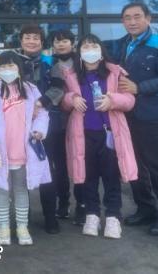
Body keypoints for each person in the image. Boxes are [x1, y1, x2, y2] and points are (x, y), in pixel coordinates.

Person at [62, 34, 137, 239]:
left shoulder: (115, 72)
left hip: (110, 135)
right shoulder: (72, 75)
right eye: (85, 47)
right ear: (79, 53)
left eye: (93, 46)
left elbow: (130, 100)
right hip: (83, 135)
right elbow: (64, 102)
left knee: (111, 177)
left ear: (101, 50)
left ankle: (113, 217)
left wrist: (112, 100)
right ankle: (92, 215)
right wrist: (72, 98)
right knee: (88, 178)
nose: (90, 50)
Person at [117, 2, 158, 236]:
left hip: (153, 116)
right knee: (136, 166)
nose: (132, 21)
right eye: (127, 18)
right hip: (128, 115)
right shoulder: (124, 44)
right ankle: (145, 208)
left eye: (137, 16)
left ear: (148, 18)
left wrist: (139, 87)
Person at [0, 51, 51, 246]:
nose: (7, 70)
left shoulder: (31, 90)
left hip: (23, 151)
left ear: (19, 68)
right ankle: (3, 227)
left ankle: (22, 226)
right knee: (1, 190)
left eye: (11, 65)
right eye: (3, 66)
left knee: (21, 189)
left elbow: (42, 113)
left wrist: (38, 131)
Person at [15, 24, 66, 234]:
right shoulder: (13, 63)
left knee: (47, 171)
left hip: (46, 124)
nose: (31, 41)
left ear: (41, 42)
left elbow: (59, 88)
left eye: (35, 38)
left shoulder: (52, 62)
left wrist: (40, 103)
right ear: (21, 41)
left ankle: (50, 216)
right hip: (18, 124)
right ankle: (23, 217)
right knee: (20, 171)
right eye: (27, 37)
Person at [48, 30, 85, 225]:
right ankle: (63, 202)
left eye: (65, 41)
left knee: (81, 163)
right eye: (57, 41)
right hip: (58, 123)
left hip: (81, 119)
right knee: (60, 165)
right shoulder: (50, 64)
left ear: (72, 43)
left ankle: (82, 204)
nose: (61, 44)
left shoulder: (82, 63)